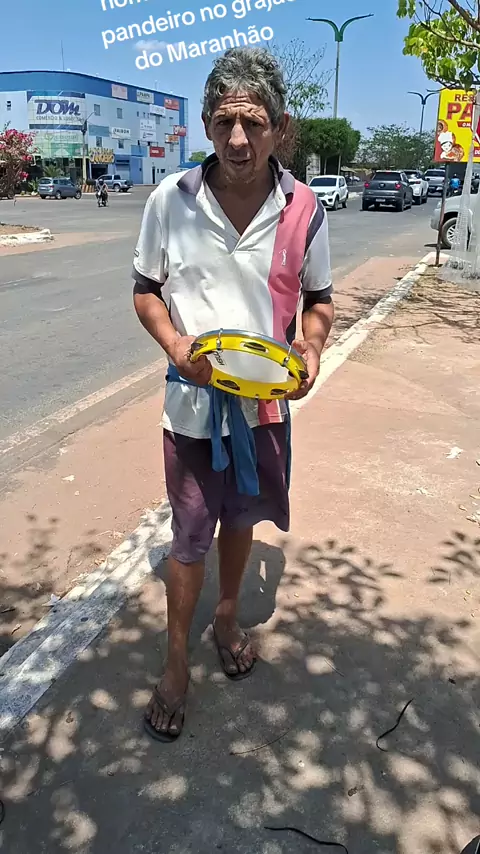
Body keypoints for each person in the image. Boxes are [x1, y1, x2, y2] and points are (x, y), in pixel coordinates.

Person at [132, 47, 334, 742]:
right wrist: (175, 345)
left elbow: (319, 300)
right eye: (224, 123)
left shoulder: (304, 208)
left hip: (265, 409)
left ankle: (225, 617)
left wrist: (312, 347)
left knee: (242, 516)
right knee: (190, 536)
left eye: (253, 123)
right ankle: (176, 661)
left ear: (280, 127)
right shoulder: (172, 200)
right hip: (192, 410)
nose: (238, 139)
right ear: (207, 126)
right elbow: (145, 290)